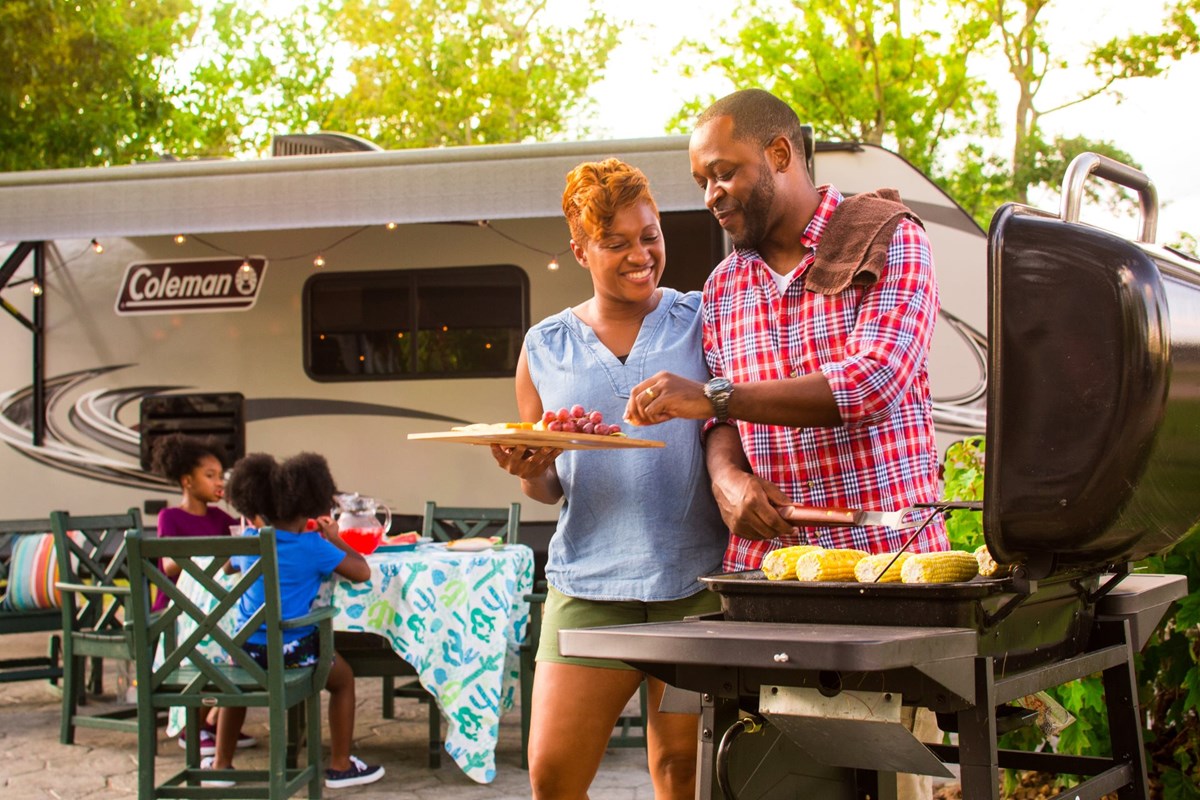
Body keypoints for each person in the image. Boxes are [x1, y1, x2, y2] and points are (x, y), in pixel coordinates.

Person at [622, 88, 947, 799]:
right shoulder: (723, 286)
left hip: (888, 572)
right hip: (772, 582)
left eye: (723, 171)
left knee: (894, 786)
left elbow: (871, 382)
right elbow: (721, 424)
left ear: (779, 154)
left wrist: (711, 398)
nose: (711, 193)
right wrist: (727, 481)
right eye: (701, 179)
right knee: (770, 781)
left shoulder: (890, 237)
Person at [489, 157, 727, 800]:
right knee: (553, 774)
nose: (639, 255)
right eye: (615, 242)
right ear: (580, 249)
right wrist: (532, 470)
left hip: (697, 587)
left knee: (681, 769)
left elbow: (738, 421)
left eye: (649, 235)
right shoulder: (545, 345)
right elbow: (546, 486)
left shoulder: (703, 318)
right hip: (590, 582)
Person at [206, 451, 384, 790]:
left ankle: (220, 765)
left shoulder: (247, 542)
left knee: (235, 686)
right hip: (295, 652)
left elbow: (228, 567)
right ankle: (341, 765)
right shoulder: (314, 546)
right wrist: (334, 538)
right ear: (311, 510)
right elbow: (360, 572)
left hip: (244, 652)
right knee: (343, 680)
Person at [149, 433, 256, 755]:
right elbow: (168, 565)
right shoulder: (171, 517)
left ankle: (216, 722)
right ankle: (191, 727)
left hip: (216, 605)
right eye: (209, 476)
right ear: (187, 481)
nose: (217, 482)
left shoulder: (220, 518)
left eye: (220, 476)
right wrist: (207, 555)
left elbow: (242, 541)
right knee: (210, 643)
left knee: (247, 636)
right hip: (177, 607)